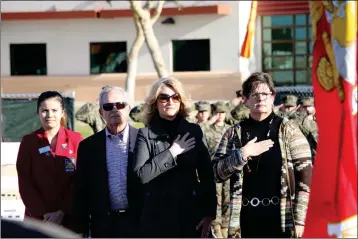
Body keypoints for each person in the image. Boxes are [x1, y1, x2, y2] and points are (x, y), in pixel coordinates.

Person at [212, 72, 313, 238]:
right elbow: (215, 173)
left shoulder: (288, 129)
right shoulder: (234, 133)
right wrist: (242, 154)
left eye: (265, 94)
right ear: (245, 99)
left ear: (273, 97)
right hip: (245, 220)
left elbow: (306, 177)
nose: (261, 99)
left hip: (280, 218)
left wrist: (301, 219)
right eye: (255, 94)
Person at [133, 77, 217, 238]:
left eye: (175, 97)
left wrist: (209, 214)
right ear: (155, 103)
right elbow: (140, 176)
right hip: (157, 219)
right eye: (163, 98)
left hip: (190, 216)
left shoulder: (194, 131)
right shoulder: (145, 134)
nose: (170, 102)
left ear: (181, 101)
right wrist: (172, 152)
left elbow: (207, 176)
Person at [73, 86, 140, 238]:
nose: (115, 109)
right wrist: (81, 229)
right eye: (108, 106)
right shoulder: (88, 147)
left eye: (120, 105)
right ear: (101, 112)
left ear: (129, 108)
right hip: (104, 226)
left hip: (139, 224)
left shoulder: (145, 140)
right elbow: (82, 191)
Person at [16, 91, 83, 231]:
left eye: (54, 110)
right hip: (38, 221)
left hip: (69, 219)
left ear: (63, 112)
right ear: (38, 113)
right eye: (44, 110)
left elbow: (80, 179)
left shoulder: (76, 139)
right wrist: (43, 213)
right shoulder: (29, 142)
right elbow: (25, 181)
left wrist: (62, 212)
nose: (50, 115)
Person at [200, 101, 231, 238]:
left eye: (223, 112)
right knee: (216, 198)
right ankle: (216, 226)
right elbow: (198, 130)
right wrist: (208, 122)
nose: (220, 115)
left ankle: (225, 226)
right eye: (218, 112)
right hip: (214, 170)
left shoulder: (231, 129)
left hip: (229, 170)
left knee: (228, 197)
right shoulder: (207, 129)